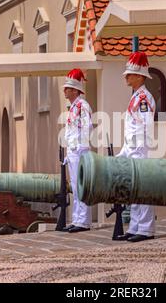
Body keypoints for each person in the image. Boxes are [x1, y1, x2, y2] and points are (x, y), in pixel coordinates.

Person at [115, 52, 156, 243]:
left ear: (139, 76)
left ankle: (146, 228)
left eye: (130, 74)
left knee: (143, 190)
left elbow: (145, 126)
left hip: (140, 150)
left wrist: (139, 149)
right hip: (132, 150)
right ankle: (135, 227)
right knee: (134, 192)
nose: (126, 77)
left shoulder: (144, 98)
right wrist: (124, 151)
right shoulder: (136, 97)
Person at [62, 69, 93, 233]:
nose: (65, 90)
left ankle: (83, 221)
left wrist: (81, 148)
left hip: (80, 151)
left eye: (68, 88)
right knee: (75, 186)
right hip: (73, 152)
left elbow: (87, 128)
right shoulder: (74, 106)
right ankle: (77, 219)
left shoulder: (82, 105)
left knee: (81, 186)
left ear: (75, 90)